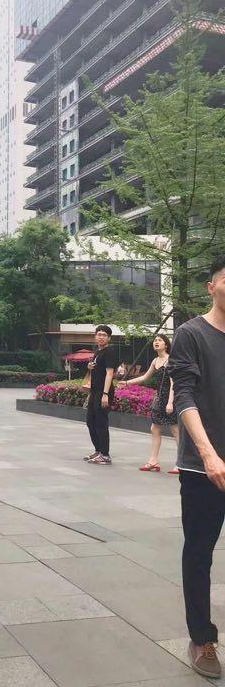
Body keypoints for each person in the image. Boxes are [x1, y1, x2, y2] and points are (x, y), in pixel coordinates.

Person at [168, 256, 225, 679]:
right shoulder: (191, 334)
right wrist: (208, 454)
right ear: (212, 286)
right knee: (200, 552)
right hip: (203, 467)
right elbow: (184, 395)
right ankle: (202, 638)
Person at [118, 334, 178, 473]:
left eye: (160, 340)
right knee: (155, 429)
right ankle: (153, 460)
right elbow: (145, 377)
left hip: (170, 398)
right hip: (159, 399)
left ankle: (181, 463)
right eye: (155, 340)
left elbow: (173, 383)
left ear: (166, 345)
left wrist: (170, 402)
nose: (156, 342)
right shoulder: (155, 360)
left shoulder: (171, 360)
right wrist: (126, 383)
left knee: (176, 430)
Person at [83, 324, 117, 465]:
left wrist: (105, 394)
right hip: (94, 391)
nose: (101, 337)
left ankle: (105, 455)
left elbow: (109, 373)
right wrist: (89, 367)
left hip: (104, 392)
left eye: (104, 335)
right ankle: (98, 450)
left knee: (101, 423)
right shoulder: (97, 352)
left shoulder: (109, 352)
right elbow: (97, 370)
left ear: (109, 338)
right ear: (95, 336)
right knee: (90, 421)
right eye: (99, 334)